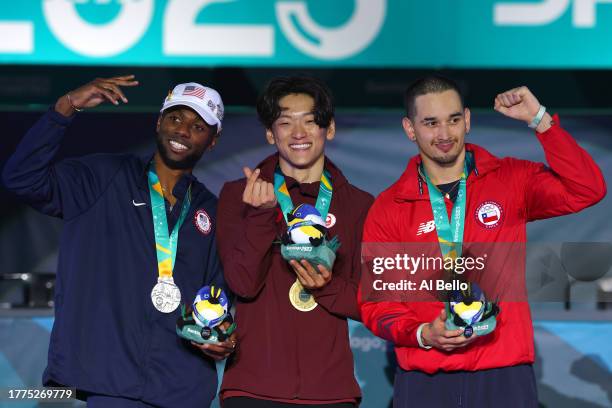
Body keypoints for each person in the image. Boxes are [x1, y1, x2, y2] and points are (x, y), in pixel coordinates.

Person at [359, 75, 606, 407]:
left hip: (503, 375)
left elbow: (587, 189)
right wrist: (422, 334)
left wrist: (541, 121)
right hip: (425, 379)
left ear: (468, 120)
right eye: (430, 123)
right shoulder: (390, 208)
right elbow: (377, 303)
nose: (445, 134)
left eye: (454, 120)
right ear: (410, 128)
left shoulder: (509, 180)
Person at [2, 75, 236, 408]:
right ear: (159, 121)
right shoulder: (103, 176)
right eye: (176, 117)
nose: (183, 130)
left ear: (213, 140)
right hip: (110, 383)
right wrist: (65, 108)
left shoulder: (211, 213)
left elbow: (215, 295)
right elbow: (22, 178)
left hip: (181, 387)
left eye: (199, 127)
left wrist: (222, 332)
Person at [216, 76, 373, 407]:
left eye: (310, 121)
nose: (299, 133)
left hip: (331, 393)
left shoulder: (359, 205)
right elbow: (242, 284)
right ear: (271, 134)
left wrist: (327, 286)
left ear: (328, 128)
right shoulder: (237, 196)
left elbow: (369, 302)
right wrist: (262, 215)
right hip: (252, 389)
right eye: (286, 123)